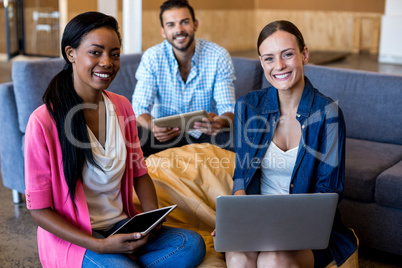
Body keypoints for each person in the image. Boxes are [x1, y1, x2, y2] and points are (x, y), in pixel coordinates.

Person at [24, 11, 205, 268]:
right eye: (96, 52)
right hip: (78, 240)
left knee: (191, 244)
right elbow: (39, 211)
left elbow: (139, 173)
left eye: (115, 54)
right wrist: (99, 246)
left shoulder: (121, 106)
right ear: (71, 53)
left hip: (121, 226)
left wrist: (151, 220)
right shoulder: (43, 122)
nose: (107, 62)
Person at [213, 20, 358, 267]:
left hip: (307, 229)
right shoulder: (247, 107)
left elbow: (329, 192)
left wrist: (282, 230)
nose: (278, 66)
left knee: (274, 259)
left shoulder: (328, 113)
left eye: (287, 55)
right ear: (261, 62)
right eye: (269, 58)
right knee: (237, 256)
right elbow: (242, 176)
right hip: (257, 221)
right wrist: (237, 218)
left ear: (304, 54)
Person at [132, 0, 236, 156]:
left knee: (238, 137)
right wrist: (153, 126)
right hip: (164, 136)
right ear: (163, 31)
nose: (179, 30)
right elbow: (139, 109)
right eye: (171, 25)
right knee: (135, 138)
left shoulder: (218, 56)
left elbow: (228, 108)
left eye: (184, 22)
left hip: (206, 134)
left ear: (195, 25)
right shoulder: (152, 58)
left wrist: (220, 122)